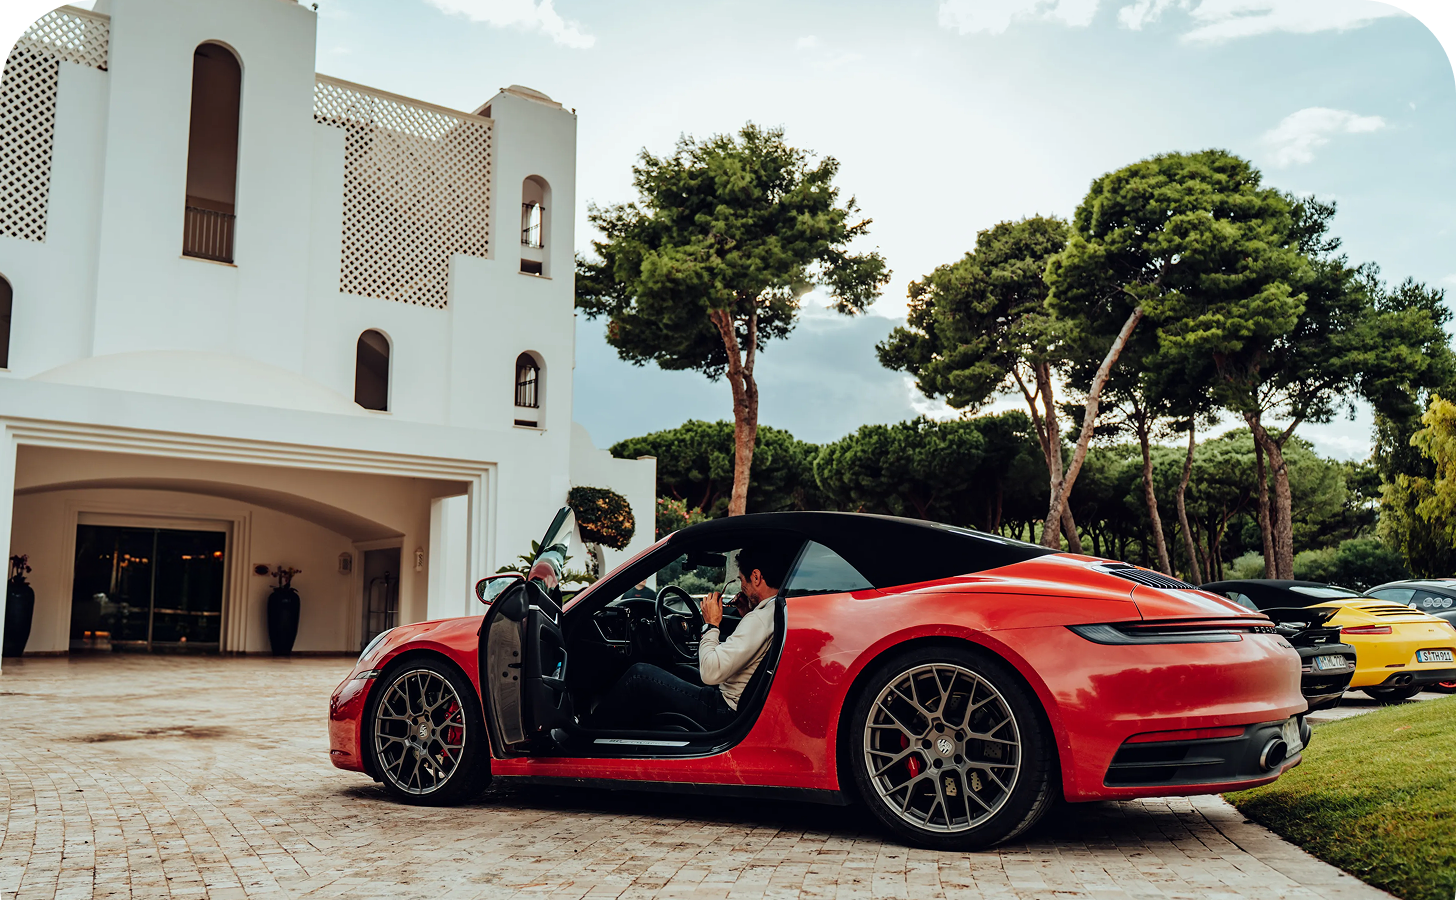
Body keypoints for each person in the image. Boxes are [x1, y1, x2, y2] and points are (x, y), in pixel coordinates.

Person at [589, 543, 795, 730]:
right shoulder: (772, 611)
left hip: (723, 709)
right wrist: (746, 614)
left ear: (756, 577)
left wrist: (711, 624)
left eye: (742, 580)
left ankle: (590, 732)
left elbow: (710, 673)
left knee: (639, 675)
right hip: (735, 701)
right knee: (677, 670)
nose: (742, 587)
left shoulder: (759, 619)